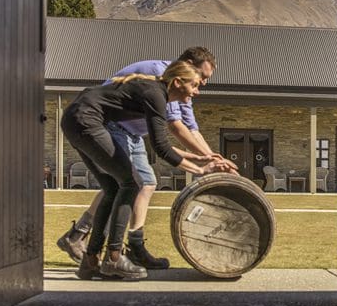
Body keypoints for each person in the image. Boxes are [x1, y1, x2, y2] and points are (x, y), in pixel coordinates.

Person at [56, 46, 237, 270]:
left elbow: (176, 135)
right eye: (198, 81)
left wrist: (206, 158)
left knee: (118, 186)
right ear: (182, 77)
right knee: (130, 184)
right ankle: (113, 257)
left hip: (83, 119)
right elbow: (164, 143)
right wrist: (201, 169)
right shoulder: (158, 92)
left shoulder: (164, 88)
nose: (199, 89)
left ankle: (91, 259)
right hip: (97, 124)